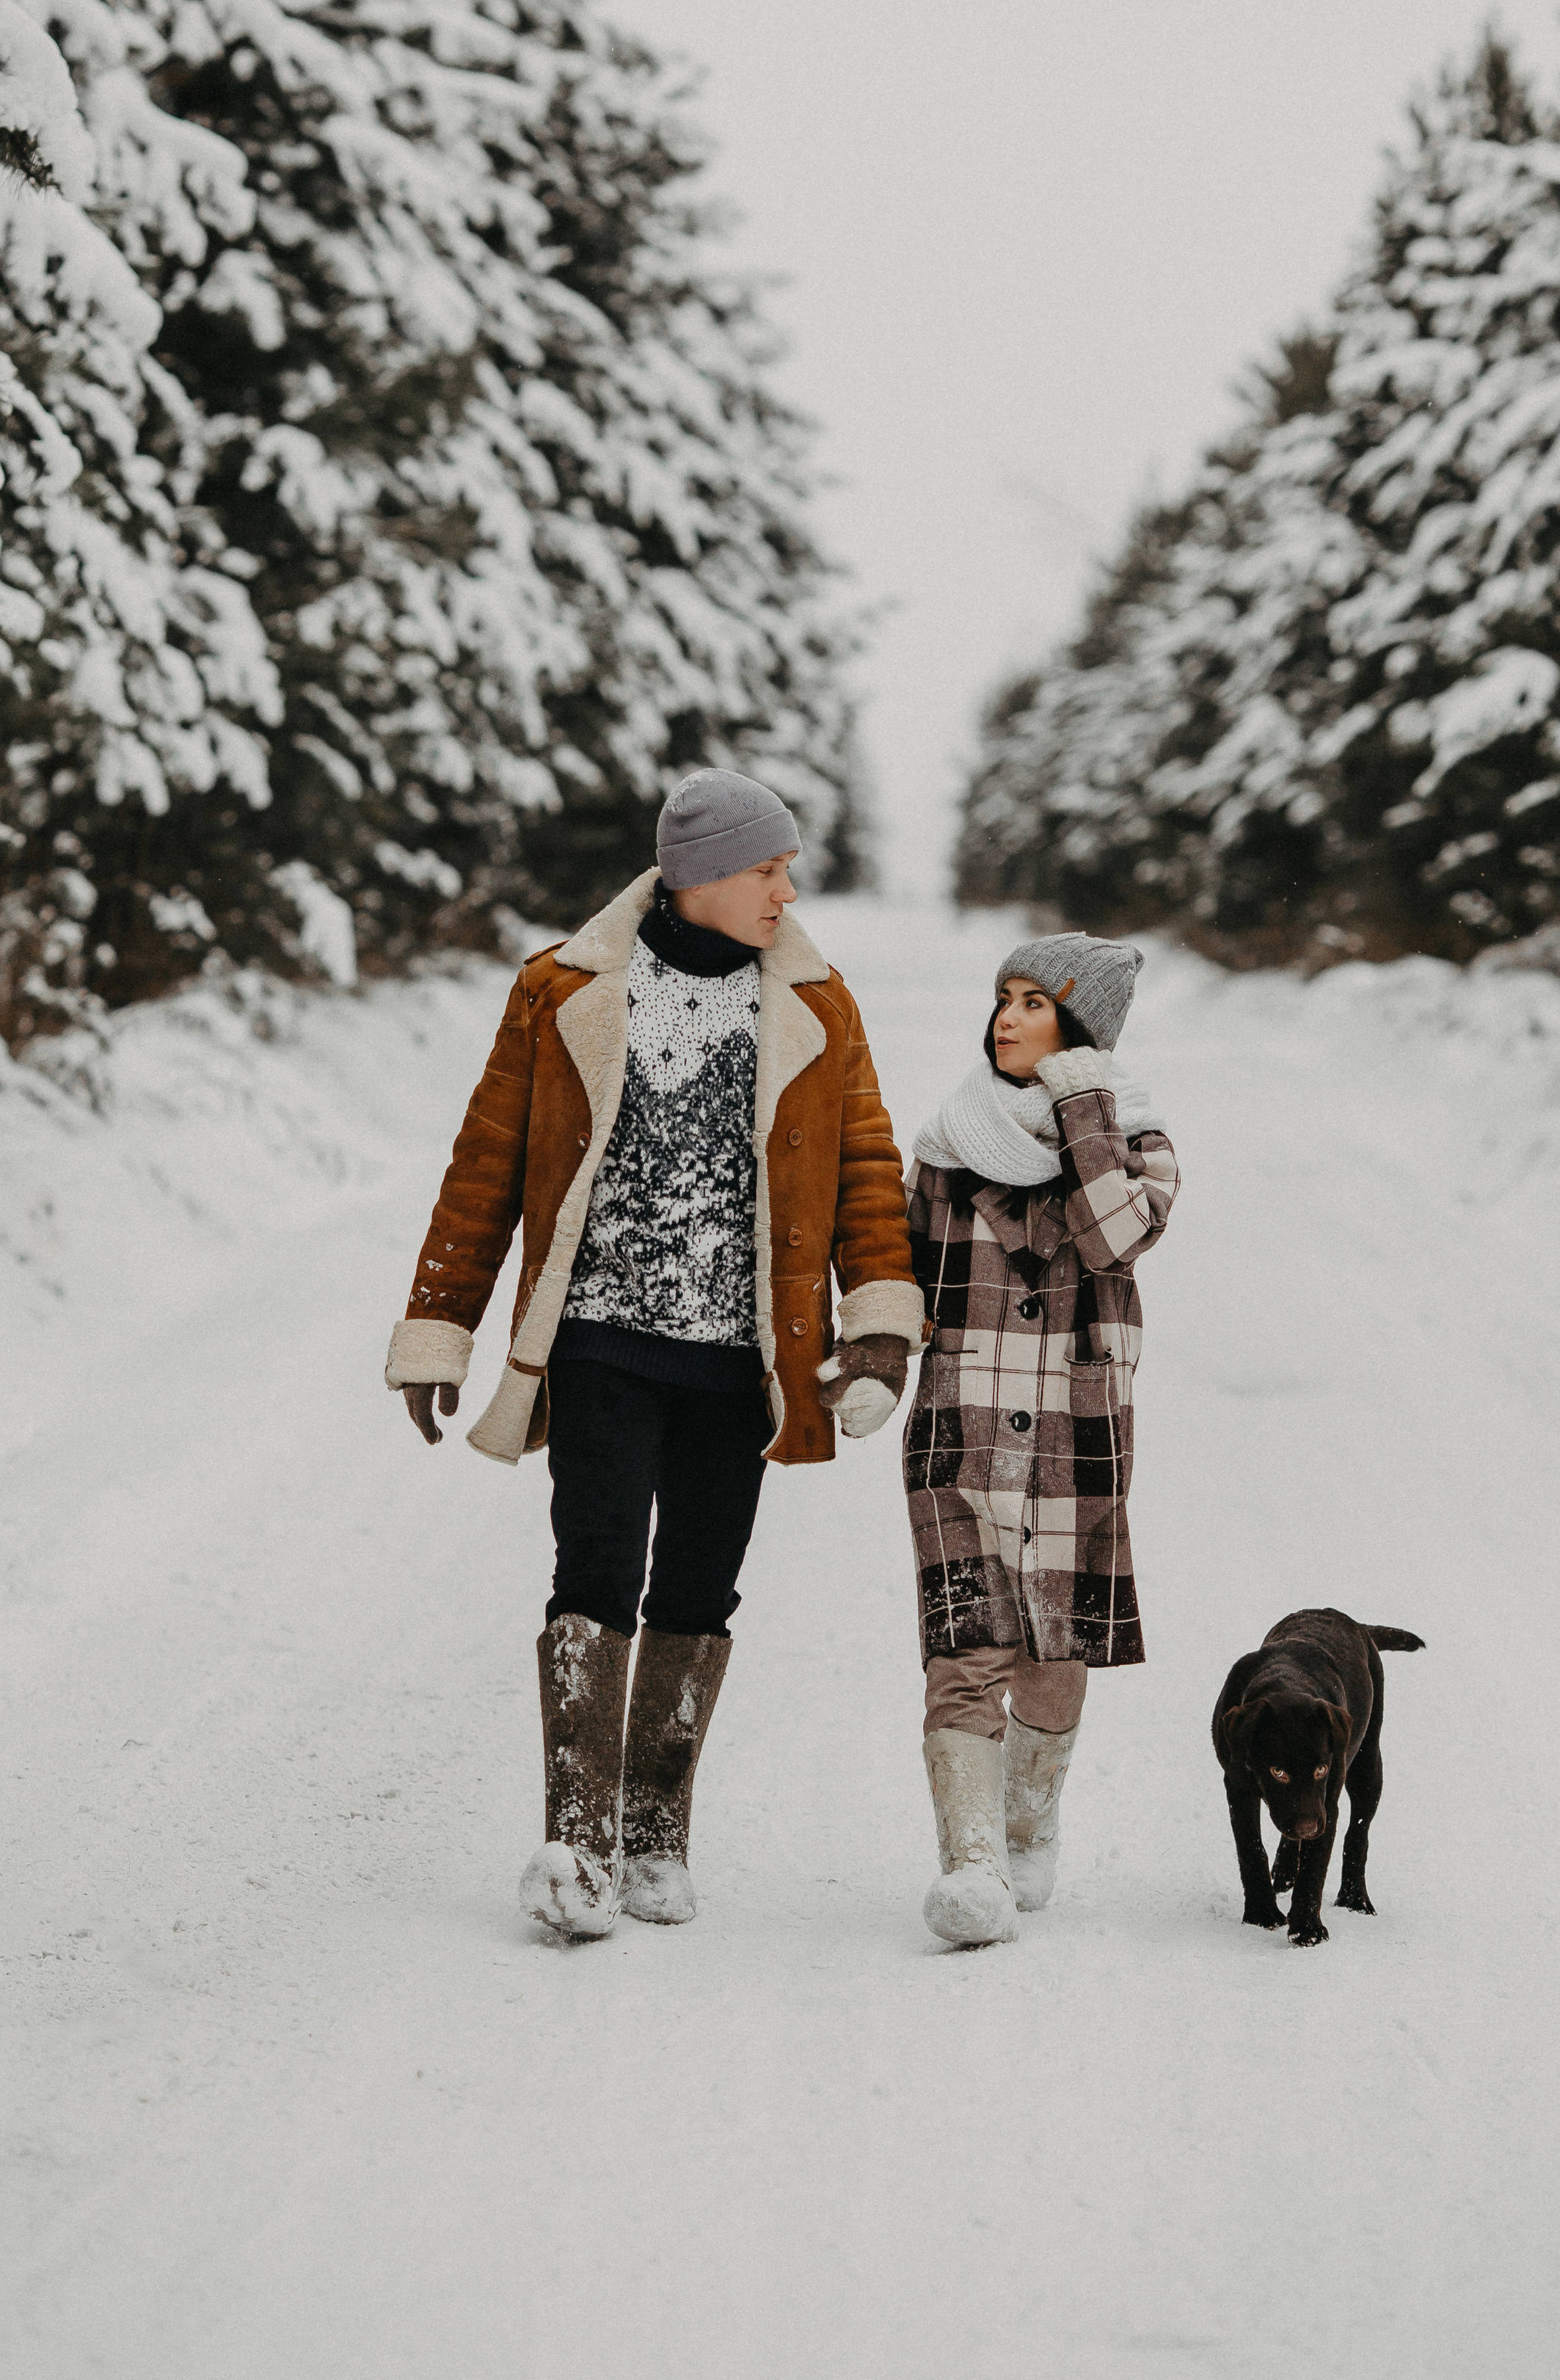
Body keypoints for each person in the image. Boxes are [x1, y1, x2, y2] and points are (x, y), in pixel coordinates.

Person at [384, 770, 924, 1940]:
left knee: (698, 1585)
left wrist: (878, 1324)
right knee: (593, 1573)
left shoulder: (819, 1007)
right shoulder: (565, 990)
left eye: (788, 870)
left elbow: (867, 1172)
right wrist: (443, 1324)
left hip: (742, 1359)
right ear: (701, 877)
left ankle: (656, 1833)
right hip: (600, 1343)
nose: (788, 890)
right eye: (767, 869)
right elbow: (486, 1166)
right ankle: (576, 1842)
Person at [902, 934, 1178, 1946]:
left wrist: (1081, 1107)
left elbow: (1115, 1237)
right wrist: (874, 1364)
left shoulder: (1138, 1141)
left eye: (1035, 1003)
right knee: (964, 1640)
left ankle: (1027, 1822)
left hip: (1075, 1427)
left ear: (1082, 1032)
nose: (1007, 1018)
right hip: (960, 1426)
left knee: (1053, 1647)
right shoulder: (946, 1140)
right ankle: (970, 1867)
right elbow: (905, 1275)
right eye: (1002, 998)